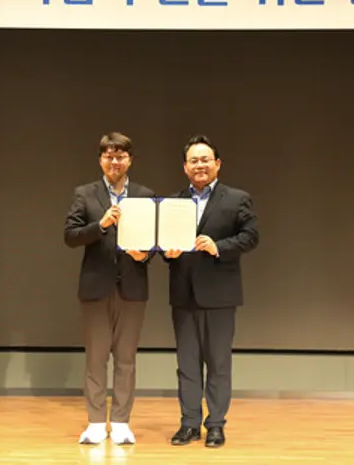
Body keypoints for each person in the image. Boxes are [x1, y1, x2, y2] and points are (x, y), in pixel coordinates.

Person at [163, 134, 259, 448]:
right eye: (194, 160)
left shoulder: (237, 199)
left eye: (205, 159)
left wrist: (218, 246)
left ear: (217, 164)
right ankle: (189, 423)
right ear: (185, 167)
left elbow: (250, 236)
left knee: (218, 364)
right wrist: (168, 252)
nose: (200, 165)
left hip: (220, 295)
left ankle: (215, 424)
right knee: (187, 365)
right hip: (183, 294)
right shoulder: (173, 202)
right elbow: (165, 243)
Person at [64, 132, 155, 445]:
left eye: (120, 156)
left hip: (132, 287)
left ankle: (120, 422)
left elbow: (154, 239)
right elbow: (70, 235)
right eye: (108, 156)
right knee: (96, 358)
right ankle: (94, 422)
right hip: (95, 288)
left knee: (126, 359)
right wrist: (100, 225)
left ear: (130, 160)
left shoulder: (144, 195)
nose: (114, 161)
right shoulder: (85, 194)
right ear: (100, 159)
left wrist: (146, 254)